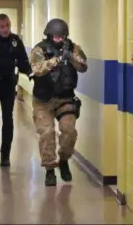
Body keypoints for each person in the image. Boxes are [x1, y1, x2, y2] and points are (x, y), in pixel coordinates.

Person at [30, 18, 88, 186]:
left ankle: (64, 159)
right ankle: (49, 169)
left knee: (69, 131)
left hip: (65, 98)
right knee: (47, 133)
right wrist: (55, 60)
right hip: (43, 100)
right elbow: (37, 69)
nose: (58, 39)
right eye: (54, 37)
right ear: (49, 35)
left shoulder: (72, 47)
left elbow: (83, 66)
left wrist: (70, 57)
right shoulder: (39, 49)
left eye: (60, 37)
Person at [0, 13, 32, 167]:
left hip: (8, 84)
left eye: (8, 26)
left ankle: (5, 155)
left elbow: (23, 62)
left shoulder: (16, 40)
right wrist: (12, 59)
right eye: (2, 26)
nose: (5, 29)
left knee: (7, 119)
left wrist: (32, 72)